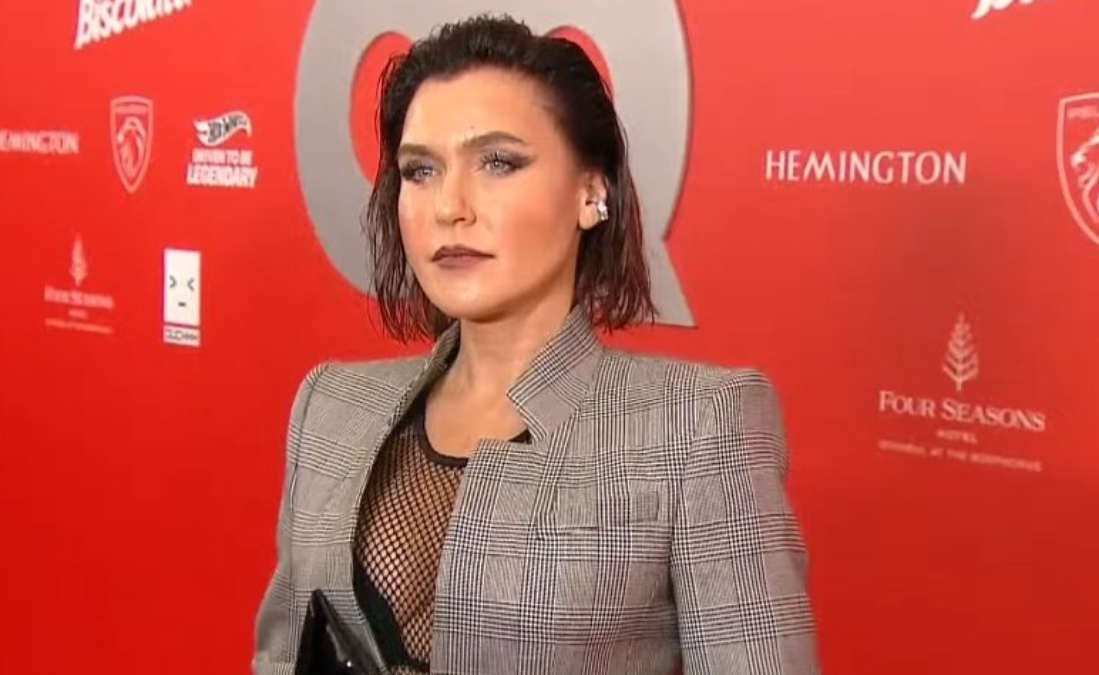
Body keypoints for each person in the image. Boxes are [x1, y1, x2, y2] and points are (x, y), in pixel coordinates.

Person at [253, 13, 821, 675]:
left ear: (590, 191)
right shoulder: (330, 408)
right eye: (421, 170)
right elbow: (282, 655)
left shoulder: (697, 425)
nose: (450, 207)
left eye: (498, 162)